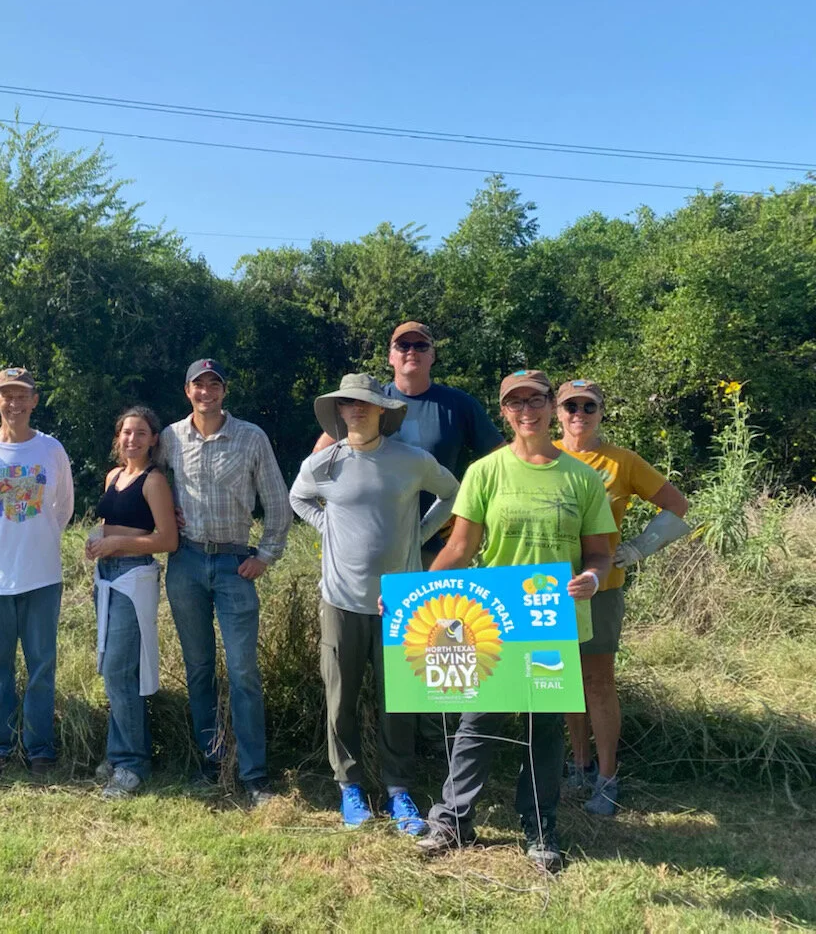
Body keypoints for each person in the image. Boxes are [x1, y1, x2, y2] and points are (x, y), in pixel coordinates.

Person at [415, 369, 616, 872]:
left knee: (543, 728)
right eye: (515, 402)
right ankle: (453, 820)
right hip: (494, 618)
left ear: (551, 406)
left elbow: (599, 554)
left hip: (553, 622)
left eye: (536, 400)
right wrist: (415, 598)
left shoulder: (582, 477)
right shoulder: (486, 472)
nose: (526, 410)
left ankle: (541, 830)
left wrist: (592, 579)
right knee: (476, 724)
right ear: (504, 411)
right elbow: (460, 548)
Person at [290, 373, 459, 830]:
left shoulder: (412, 460)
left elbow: (452, 494)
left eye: (366, 403)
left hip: (400, 603)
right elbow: (298, 498)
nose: (357, 410)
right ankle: (350, 788)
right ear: (340, 412)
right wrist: (327, 528)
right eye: (349, 404)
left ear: (383, 411)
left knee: (398, 700)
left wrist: (419, 534)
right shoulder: (324, 464)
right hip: (341, 600)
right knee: (340, 697)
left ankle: (399, 789)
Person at [555, 378, 691, 815]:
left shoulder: (622, 461)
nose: (579, 414)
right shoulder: (543, 456)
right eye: (570, 406)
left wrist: (635, 549)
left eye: (588, 406)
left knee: (597, 682)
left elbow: (677, 506)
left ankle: (608, 778)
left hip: (601, 589)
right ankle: (578, 764)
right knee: (564, 682)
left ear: (601, 412)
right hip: (548, 591)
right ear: (556, 411)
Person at [160, 358, 292, 806]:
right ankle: (211, 763)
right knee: (198, 668)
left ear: (224, 391)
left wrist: (267, 555)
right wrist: (161, 520)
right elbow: (150, 484)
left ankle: (254, 775)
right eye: (199, 385)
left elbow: (278, 503)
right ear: (187, 391)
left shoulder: (251, 437)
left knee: (243, 672)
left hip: (236, 563)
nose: (206, 392)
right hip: (186, 563)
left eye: (214, 384)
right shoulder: (170, 438)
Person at [0, 367, 74, 778]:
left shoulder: (51, 450)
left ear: (34, 400)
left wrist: (33, 540)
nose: (14, 403)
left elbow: (62, 510)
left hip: (41, 575)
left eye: (22, 395)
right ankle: (0, 746)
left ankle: (40, 748)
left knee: (42, 665)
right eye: (6, 395)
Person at [313, 322, 502, 565]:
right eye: (403, 345)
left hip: (439, 541)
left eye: (421, 346)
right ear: (391, 356)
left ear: (432, 355)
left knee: (438, 604)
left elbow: (499, 461)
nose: (412, 351)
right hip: (376, 540)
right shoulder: (368, 402)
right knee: (377, 604)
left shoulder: (459, 404)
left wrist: (467, 507)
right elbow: (321, 453)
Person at [85, 406, 179, 799]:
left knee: (122, 672)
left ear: (154, 439)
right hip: (106, 577)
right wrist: (97, 542)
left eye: (141, 433)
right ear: (118, 437)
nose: (132, 440)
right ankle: (116, 752)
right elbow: (108, 524)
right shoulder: (113, 476)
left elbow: (167, 540)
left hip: (133, 577)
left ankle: (133, 763)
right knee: (111, 667)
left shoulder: (153, 481)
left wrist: (117, 543)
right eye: (126, 432)